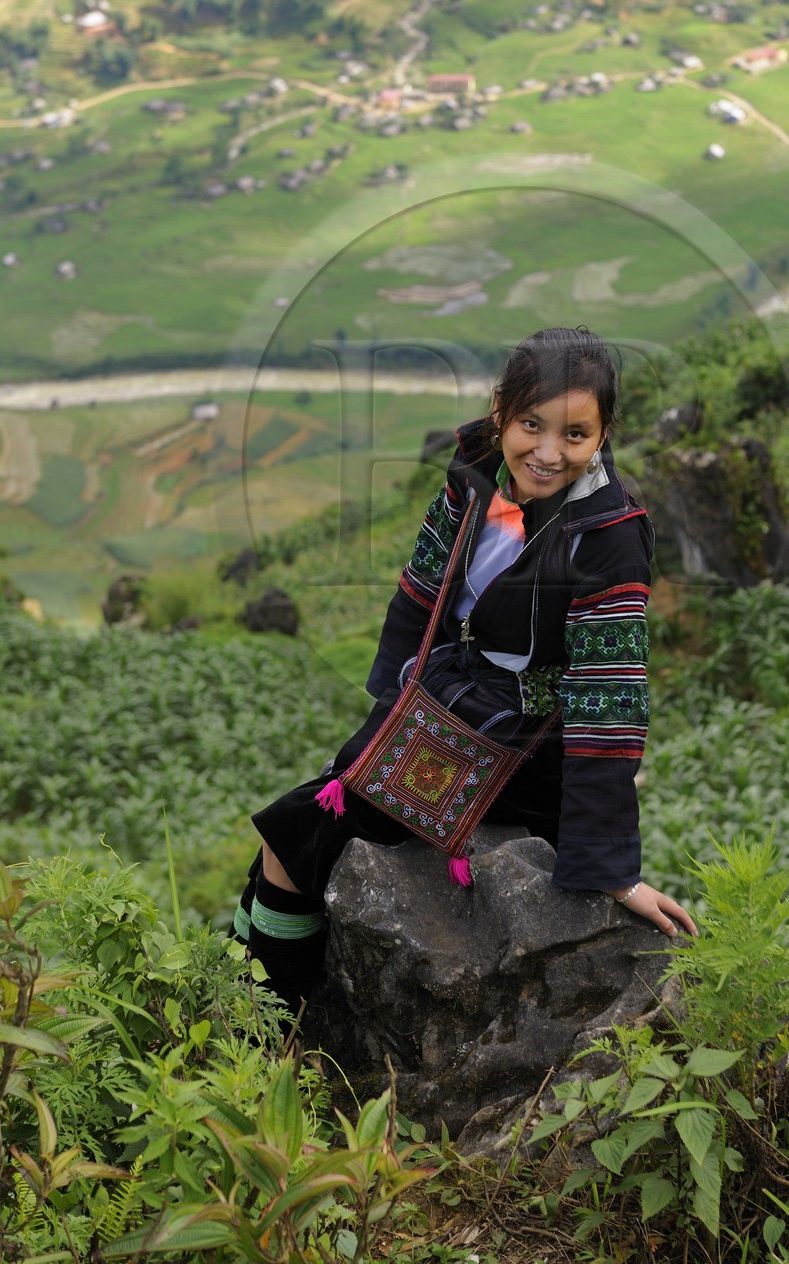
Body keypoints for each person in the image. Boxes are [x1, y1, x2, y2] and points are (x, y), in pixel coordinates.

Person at [233, 326, 695, 1014]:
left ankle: (268, 1015)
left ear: (604, 435)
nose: (547, 452)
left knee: (296, 834)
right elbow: (426, 581)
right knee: (305, 823)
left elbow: (609, 702)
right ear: (501, 411)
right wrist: (395, 694)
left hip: (519, 740)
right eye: (531, 424)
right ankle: (244, 984)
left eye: (575, 434)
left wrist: (611, 871)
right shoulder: (477, 470)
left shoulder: (608, 539)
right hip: (450, 694)